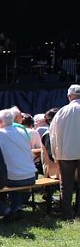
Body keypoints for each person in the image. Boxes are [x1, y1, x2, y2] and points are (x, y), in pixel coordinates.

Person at [0, 108, 38, 219]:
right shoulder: (22, 131)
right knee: (13, 174)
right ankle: (17, 207)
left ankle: (3, 209)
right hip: (31, 176)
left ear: (1, 122)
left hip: (14, 179)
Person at [48, 84, 80, 218]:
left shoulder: (62, 112)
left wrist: (56, 154)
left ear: (70, 96)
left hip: (66, 153)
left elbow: (53, 134)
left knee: (66, 185)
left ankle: (67, 213)